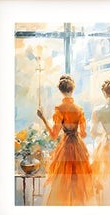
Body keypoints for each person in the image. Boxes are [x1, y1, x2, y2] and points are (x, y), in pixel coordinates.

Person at [37, 75, 94, 205]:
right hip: (78, 147)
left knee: (63, 181)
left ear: (61, 91)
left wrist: (43, 118)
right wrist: (75, 129)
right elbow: (84, 134)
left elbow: (53, 135)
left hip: (65, 147)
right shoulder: (79, 109)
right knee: (78, 183)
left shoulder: (59, 109)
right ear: (72, 89)